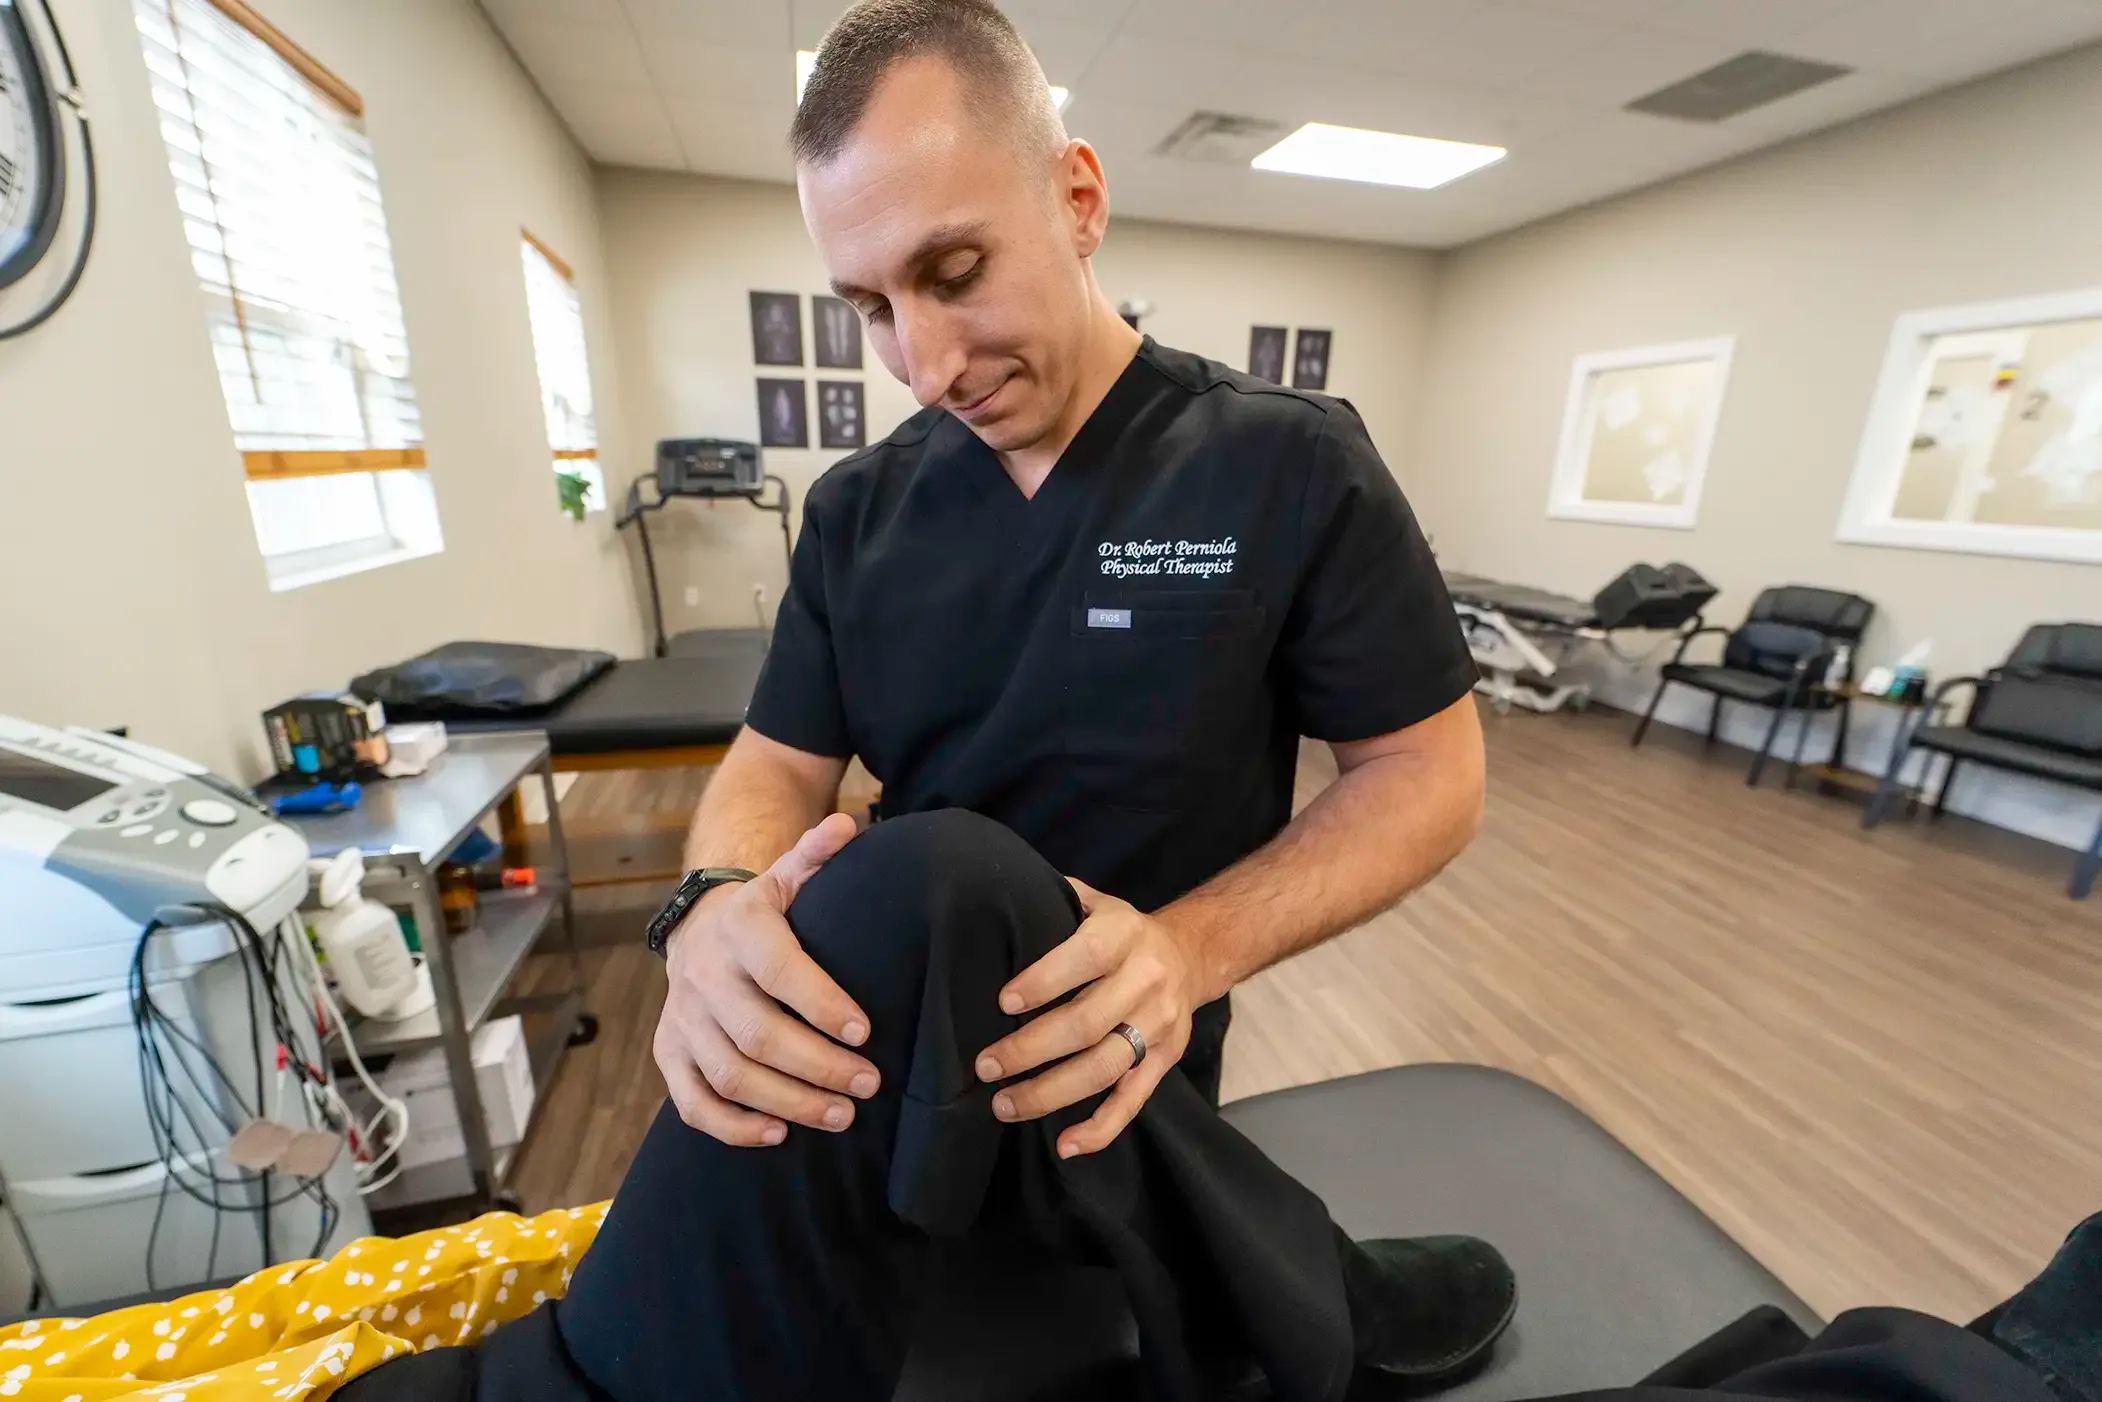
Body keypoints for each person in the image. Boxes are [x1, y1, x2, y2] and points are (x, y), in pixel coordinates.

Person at [639, 0, 1511, 1394]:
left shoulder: (1284, 468)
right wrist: (706, 913)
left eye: (956, 269)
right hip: (882, 1066)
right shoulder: (861, 512)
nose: (923, 364)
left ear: (1078, 199)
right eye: (870, 307)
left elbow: (1425, 771)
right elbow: (774, 762)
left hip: (1131, 1092)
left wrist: (1185, 947)